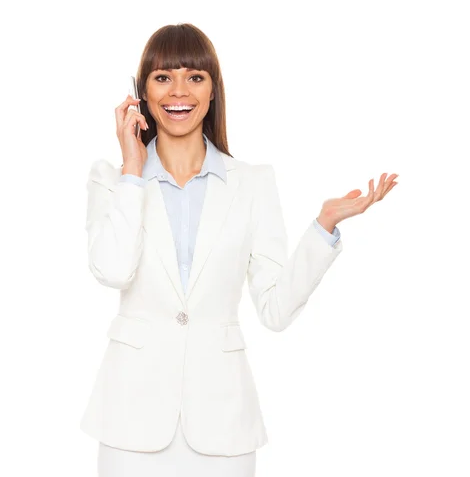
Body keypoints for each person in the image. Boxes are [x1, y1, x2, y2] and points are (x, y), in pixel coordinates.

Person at [80, 23, 398, 477]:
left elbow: (275, 309)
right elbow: (111, 269)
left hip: (222, 424)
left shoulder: (252, 183)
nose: (179, 91)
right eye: (162, 77)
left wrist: (323, 227)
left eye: (195, 77)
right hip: (130, 419)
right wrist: (133, 168)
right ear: (142, 93)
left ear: (213, 92)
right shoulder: (111, 180)